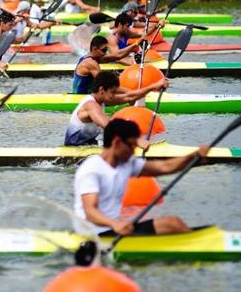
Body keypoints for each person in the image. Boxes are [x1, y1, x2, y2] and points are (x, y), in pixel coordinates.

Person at [74, 118, 209, 236]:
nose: (134, 150)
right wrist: (114, 224)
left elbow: (165, 167)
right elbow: (90, 211)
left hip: (114, 229)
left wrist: (193, 156)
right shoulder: (92, 169)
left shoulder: (126, 163)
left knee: (175, 223)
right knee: (171, 224)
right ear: (117, 142)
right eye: (131, 145)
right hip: (94, 234)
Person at [64, 71, 168, 146]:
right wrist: (135, 140)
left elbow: (129, 97)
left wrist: (153, 87)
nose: (113, 96)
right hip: (74, 151)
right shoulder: (91, 105)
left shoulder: (101, 100)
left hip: (88, 146)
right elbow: (109, 127)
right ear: (101, 90)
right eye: (112, 92)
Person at [73, 36, 145, 94]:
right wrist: (131, 92)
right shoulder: (90, 63)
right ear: (95, 49)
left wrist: (135, 44)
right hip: (80, 97)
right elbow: (105, 84)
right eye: (103, 50)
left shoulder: (96, 56)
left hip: (87, 94)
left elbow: (118, 55)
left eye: (106, 50)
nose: (105, 53)